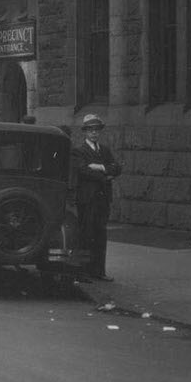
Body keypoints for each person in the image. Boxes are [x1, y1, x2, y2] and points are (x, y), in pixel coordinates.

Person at [73, 112, 121, 281]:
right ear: (85, 132)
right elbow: (83, 171)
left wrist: (99, 167)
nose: (94, 133)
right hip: (87, 199)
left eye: (96, 130)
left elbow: (117, 168)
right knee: (85, 235)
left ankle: (99, 271)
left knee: (100, 235)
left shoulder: (105, 150)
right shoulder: (79, 151)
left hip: (102, 199)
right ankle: (81, 272)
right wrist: (105, 174)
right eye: (90, 130)